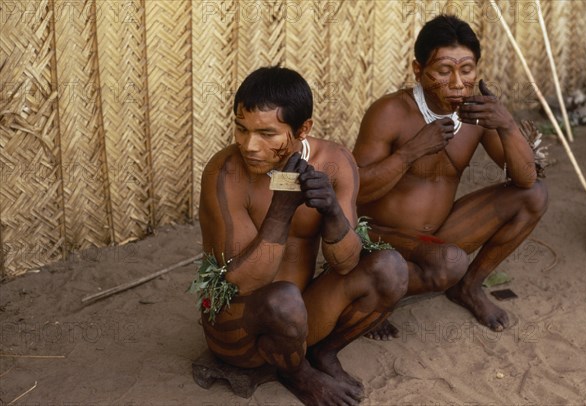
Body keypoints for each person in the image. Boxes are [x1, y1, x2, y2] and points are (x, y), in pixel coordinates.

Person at [197, 66, 408, 405]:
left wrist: (332, 214)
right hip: (239, 331)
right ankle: (299, 375)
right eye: (241, 129)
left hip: (301, 313)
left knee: (390, 268)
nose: (250, 145)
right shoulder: (225, 173)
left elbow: (346, 263)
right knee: (281, 298)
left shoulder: (336, 161)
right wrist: (281, 210)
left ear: (303, 129)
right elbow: (241, 283)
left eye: (267, 134)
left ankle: (322, 353)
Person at [352, 15, 548, 339]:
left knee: (535, 195)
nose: (457, 82)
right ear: (419, 70)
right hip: (381, 236)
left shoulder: (478, 114)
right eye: (444, 71)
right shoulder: (390, 112)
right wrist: (410, 153)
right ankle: (372, 291)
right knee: (447, 262)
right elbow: (355, 191)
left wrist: (507, 125)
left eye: (467, 69)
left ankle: (468, 287)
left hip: (436, 234)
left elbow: (526, 179)